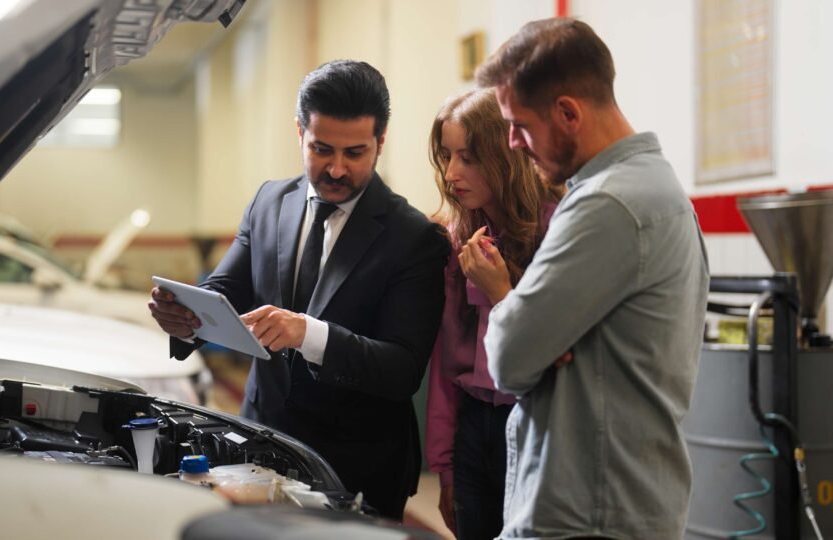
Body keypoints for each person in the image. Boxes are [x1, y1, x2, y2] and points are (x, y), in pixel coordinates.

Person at [148, 59, 450, 520]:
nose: (336, 168)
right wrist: (185, 318)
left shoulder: (413, 237)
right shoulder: (269, 201)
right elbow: (224, 292)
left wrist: (308, 333)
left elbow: (402, 368)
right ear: (299, 133)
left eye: (355, 153)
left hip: (357, 467)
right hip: (260, 445)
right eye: (321, 148)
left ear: (381, 143)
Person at [466, 18, 710, 539]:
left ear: (569, 113)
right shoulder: (649, 187)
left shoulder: (609, 204)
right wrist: (539, 333)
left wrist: (518, 318)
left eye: (520, 125)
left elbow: (508, 359)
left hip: (589, 515)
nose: (512, 143)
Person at [424, 89, 560, 540]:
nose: (451, 173)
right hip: (473, 425)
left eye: (468, 157)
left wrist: (502, 290)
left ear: (505, 155)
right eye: (447, 156)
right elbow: (446, 363)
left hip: (535, 421)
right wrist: (443, 467)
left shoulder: (556, 227)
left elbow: (554, 348)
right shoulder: (456, 236)